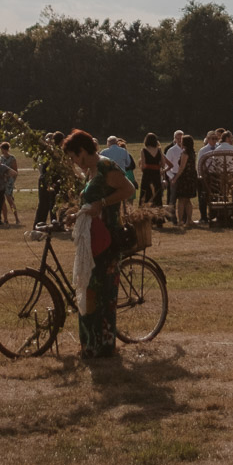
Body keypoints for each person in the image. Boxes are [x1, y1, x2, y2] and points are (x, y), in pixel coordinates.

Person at [65, 128, 134, 359]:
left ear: (83, 151)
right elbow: (91, 204)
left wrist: (103, 203)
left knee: (104, 295)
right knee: (89, 291)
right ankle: (89, 345)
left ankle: (103, 347)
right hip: (93, 240)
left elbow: (129, 190)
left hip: (109, 240)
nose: (75, 162)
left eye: (75, 157)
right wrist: (76, 215)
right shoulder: (91, 171)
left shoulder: (106, 167)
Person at [170, 134, 199, 229]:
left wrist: (175, 178)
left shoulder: (184, 154)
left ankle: (180, 221)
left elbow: (181, 168)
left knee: (181, 200)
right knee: (188, 200)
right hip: (191, 178)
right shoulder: (192, 153)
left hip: (184, 178)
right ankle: (189, 220)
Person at [138, 132, 166, 210]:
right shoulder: (159, 150)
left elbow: (143, 165)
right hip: (156, 174)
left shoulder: (143, 150)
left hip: (147, 174)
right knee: (157, 195)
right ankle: (158, 216)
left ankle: (145, 214)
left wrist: (141, 167)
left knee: (146, 194)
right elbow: (163, 164)